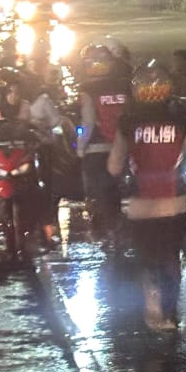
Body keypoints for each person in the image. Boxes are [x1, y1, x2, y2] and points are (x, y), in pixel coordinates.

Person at [107, 61, 186, 330]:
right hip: (174, 203)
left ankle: (152, 309)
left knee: (147, 258)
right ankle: (170, 313)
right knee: (170, 257)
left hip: (141, 205)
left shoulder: (127, 122)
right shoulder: (180, 122)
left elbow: (114, 167)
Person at [74, 39, 131, 242]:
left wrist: (80, 148)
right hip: (126, 147)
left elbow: (88, 122)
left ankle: (103, 229)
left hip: (98, 148)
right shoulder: (126, 85)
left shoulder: (87, 89)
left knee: (96, 191)